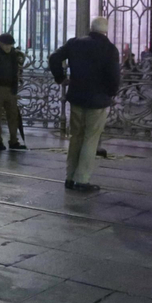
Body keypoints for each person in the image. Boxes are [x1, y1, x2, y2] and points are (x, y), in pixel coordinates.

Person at [48, 17, 122, 193]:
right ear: (105, 30)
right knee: (90, 139)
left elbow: (54, 58)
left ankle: (70, 177)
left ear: (91, 28)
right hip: (98, 100)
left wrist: (60, 78)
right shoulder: (110, 49)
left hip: (76, 97)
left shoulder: (75, 43)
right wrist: (111, 93)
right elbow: (114, 76)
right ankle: (82, 179)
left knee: (76, 137)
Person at [0, 32, 28, 151]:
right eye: (6, 45)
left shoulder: (13, 54)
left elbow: (16, 69)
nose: (8, 47)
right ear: (0, 43)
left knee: (13, 116)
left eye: (10, 45)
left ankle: (14, 141)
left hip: (10, 88)